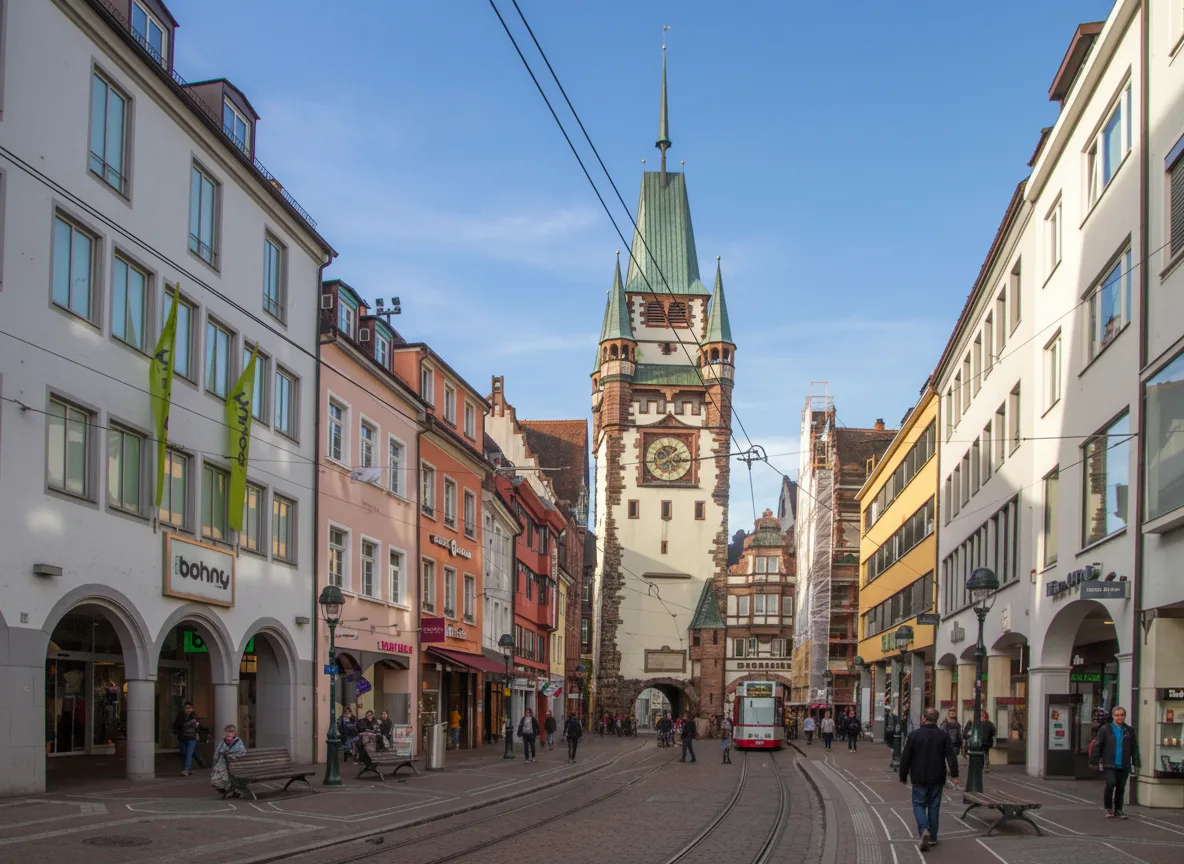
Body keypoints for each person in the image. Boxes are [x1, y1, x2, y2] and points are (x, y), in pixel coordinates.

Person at [899, 707, 959, 853]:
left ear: (923, 719)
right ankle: (932, 837)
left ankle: (924, 829)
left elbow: (906, 757)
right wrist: (955, 774)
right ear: (937, 720)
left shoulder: (914, 735)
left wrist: (903, 775)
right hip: (937, 776)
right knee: (934, 806)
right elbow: (951, 756)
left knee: (918, 804)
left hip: (918, 776)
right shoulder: (943, 735)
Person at [1090, 705, 1140, 819]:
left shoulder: (1129, 731)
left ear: (1124, 716)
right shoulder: (1105, 729)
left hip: (1124, 763)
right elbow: (1098, 745)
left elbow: (1134, 748)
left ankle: (1118, 810)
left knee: (1121, 788)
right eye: (1117, 715)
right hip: (1109, 763)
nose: (1119, 718)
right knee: (1111, 784)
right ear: (1113, 716)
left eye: (1121, 715)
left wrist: (1136, 763)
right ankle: (1108, 808)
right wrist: (1094, 761)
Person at [210, 724, 247, 798]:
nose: (230, 733)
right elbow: (216, 755)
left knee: (228, 778)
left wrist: (231, 756)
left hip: (234, 765)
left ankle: (231, 791)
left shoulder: (238, 742)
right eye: (228, 732)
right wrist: (214, 765)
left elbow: (242, 752)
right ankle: (230, 791)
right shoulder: (221, 742)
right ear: (225, 732)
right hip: (221, 765)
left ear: (235, 733)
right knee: (215, 780)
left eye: (232, 732)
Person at [173, 701, 204, 776]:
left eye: (189, 708)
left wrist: (197, 731)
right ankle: (189, 768)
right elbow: (176, 726)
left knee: (189, 754)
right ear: (184, 709)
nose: (188, 710)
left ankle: (186, 770)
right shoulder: (181, 716)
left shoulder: (195, 716)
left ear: (192, 709)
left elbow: (198, 727)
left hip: (191, 738)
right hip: (182, 738)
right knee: (183, 753)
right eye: (186, 708)